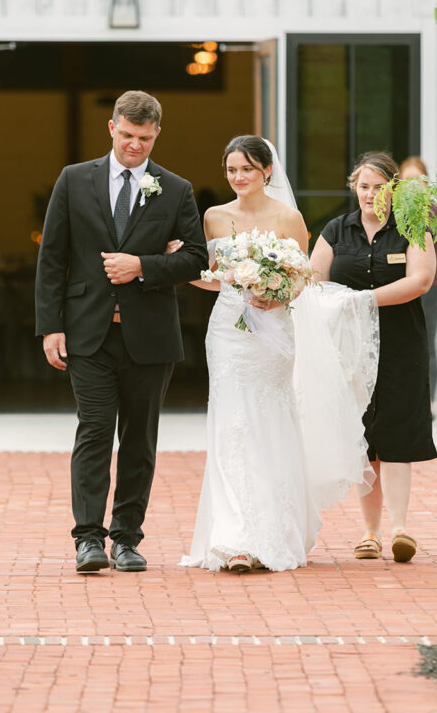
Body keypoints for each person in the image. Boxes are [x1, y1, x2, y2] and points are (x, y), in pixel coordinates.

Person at [181, 136, 378, 573]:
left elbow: (303, 278)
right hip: (228, 332)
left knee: (268, 423)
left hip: (272, 333)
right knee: (231, 425)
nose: (238, 178)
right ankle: (232, 537)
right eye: (231, 170)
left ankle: (273, 530)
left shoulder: (289, 218)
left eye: (246, 169)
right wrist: (194, 271)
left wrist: (274, 293)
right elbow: (208, 277)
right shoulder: (213, 217)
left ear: (267, 170)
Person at [35, 90, 207, 574]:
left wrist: (143, 266)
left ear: (157, 135)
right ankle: (87, 539)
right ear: (112, 127)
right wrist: (50, 326)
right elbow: (53, 257)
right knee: (94, 432)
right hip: (87, 333)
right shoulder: (73, 180)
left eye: (145, 139)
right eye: (128, 135)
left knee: (139, 440)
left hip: (150, 339)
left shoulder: (175, 189)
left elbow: (196, 257)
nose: (135, 146)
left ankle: (126, 539)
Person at [310, 152, 437, 564]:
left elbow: (420, 280)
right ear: (355, 188)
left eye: (379, 187)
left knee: (398, 432)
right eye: (363, 187)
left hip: (401, 345)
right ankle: (369, 533)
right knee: (363, 438)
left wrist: (364, 300)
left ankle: (400, 528)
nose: (370, 194)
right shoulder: (335, 230)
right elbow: (313, 280)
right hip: (348, 350)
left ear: (393, 190)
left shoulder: (413, 228)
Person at [399, 156, 437, 404]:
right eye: (406, 179)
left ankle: (428, 403)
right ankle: (405, 400)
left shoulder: (435, 212)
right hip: (400, 289)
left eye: (417, 179)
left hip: (431, 289)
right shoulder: (395, 213)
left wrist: (425, 273)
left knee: (427, 342)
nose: (411, 184)